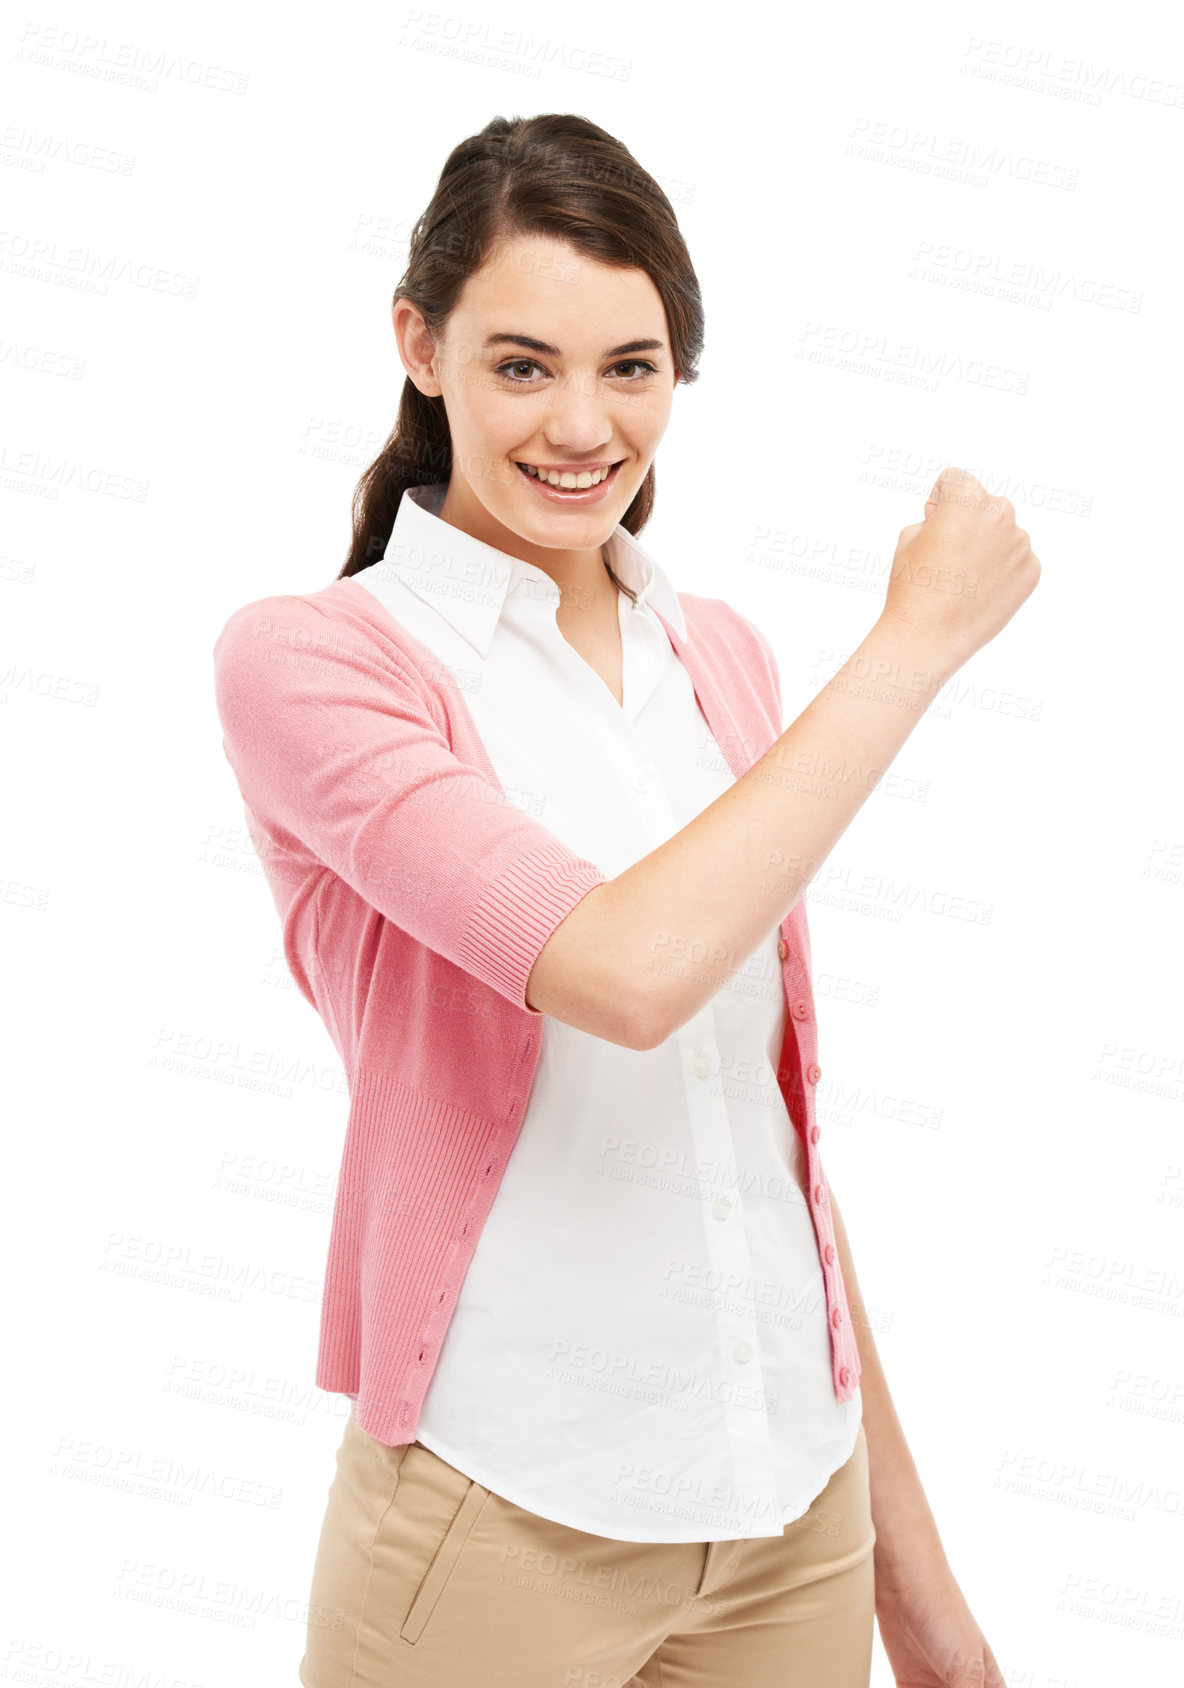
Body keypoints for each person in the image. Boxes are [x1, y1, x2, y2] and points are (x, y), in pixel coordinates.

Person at [212, 113, 1038, 1688]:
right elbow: (627, 972)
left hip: (795, 1511)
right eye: (522, 364)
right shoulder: (320, 664)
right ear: (420, 344)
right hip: (504, 1516)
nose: (581, 424)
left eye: (633, 367)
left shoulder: (718, 655)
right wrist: (920, 639)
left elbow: (766, 1146)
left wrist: (909, 1584)